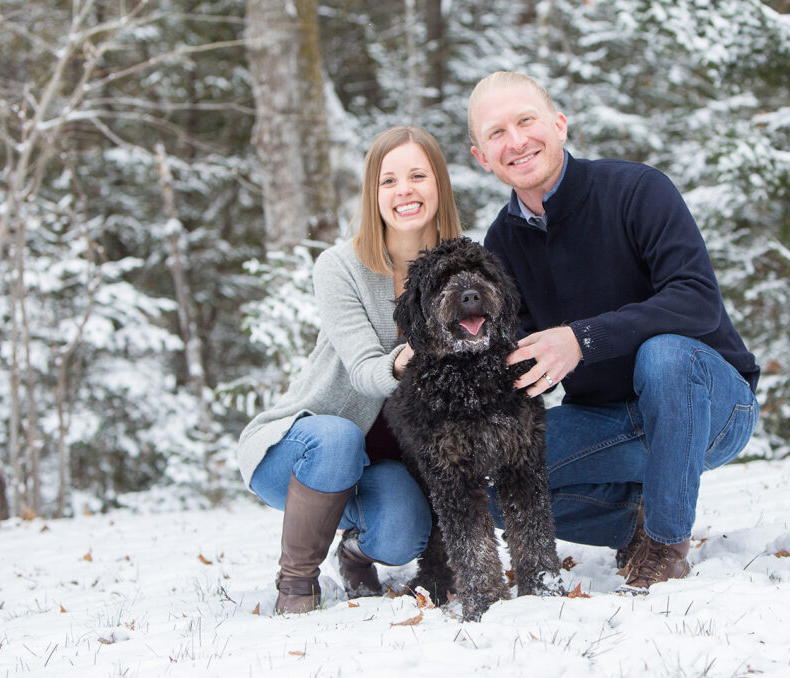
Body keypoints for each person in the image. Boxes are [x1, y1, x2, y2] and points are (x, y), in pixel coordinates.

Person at [468, 71, 761, 594]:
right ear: (481, 157)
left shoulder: (636, 189)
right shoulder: (502, 241)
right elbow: (516, 354)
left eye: (526, 120)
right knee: (489, 477)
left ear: (559, 125)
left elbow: (696, 300)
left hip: (708, 404)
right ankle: (633, 525)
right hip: (606, 419)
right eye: (496, 134)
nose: (515, 141)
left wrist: (581, 339)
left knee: (665, 355)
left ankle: (667, 547)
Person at [237, 126, 464, 613]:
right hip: (305, 453)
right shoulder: (340, 266)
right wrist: (412, 357)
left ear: (439, 185)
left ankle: (355, 553)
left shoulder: (466, 269)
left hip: (380, 467)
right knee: (337, 436)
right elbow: (364, 368)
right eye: (388, 180)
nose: (404, 190)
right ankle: (296, 584)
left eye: (418, 175)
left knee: (404, 536)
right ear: (373, 193)